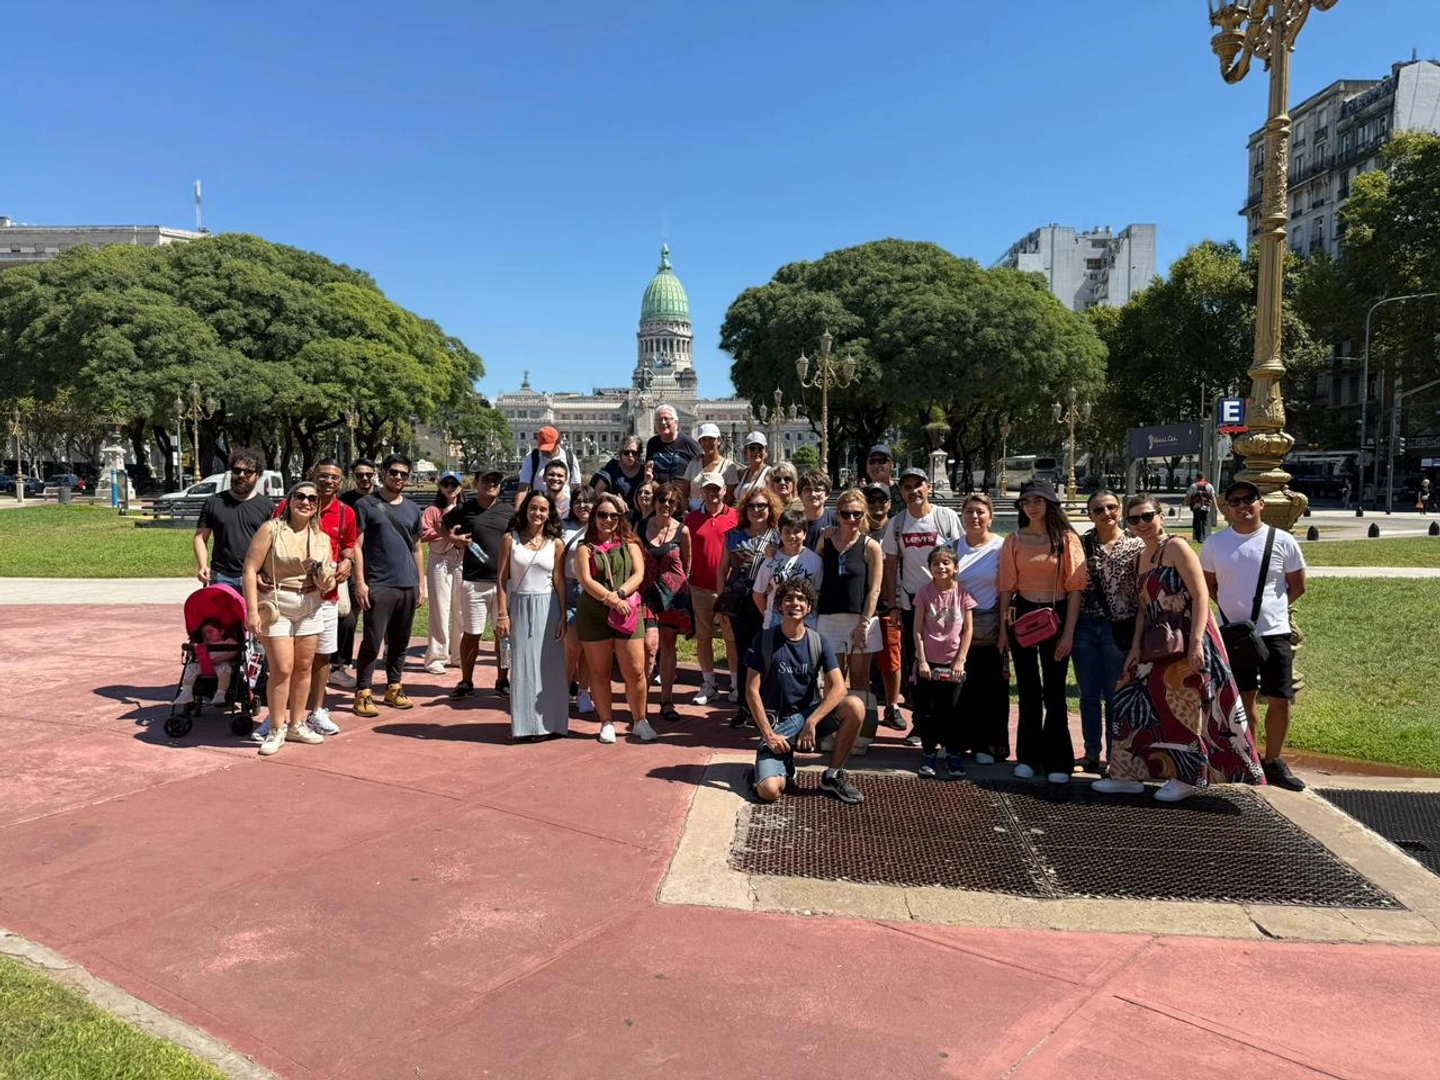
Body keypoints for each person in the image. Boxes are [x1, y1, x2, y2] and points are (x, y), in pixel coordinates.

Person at [1096, 494, 1265, 801]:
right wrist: (1134, 647)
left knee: (1186, 705)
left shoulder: (1176, 547)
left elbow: (1201, 596)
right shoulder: (1140, 557)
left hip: (1187, 635)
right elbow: (1144, 608)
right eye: (1135, 519)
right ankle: (1128, 773)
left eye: (1148, 516)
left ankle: (1188, 777)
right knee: (1132, 700)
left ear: (1161, 516)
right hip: (1155, 640)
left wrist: (1197, 642)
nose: (1142, 523)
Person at [1200, 479, 1308, 791]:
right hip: (1235, 634)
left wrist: (1271, 611)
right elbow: (1210, 587)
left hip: (1274, 632)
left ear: (1261, 504)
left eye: (1248, 499)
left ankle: (1274, 760)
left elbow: (1298, 585)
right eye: (1234, 501)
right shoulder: (1215, 545)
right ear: (1226, 509)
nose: (1242, 506)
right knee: (1243, 698)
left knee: (1280, 698)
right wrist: (1234, 616)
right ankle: (1250, 758)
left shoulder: (1282, 540)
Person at [256, 459, 358, 743]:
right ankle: (277, 716)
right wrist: (260, 573)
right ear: (313, 476)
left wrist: (348, 562)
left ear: (341, 482)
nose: (328, 482)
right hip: (285, 594)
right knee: (282, 662)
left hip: (324, 593)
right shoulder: (288, 506)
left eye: (334, 478)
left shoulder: (345, 513)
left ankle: (315, 711)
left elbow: (350, 545)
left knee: (320, 656)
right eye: (323, 476)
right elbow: (266, 545)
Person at [743, 578, 866, 805]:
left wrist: (812, 721)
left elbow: (839, 688)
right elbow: (751, 690)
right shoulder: (764, 639)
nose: (795, 603)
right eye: (788, 598)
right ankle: (776, 767)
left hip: (806, 718)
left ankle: (832, 776)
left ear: (809, 607)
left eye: (801, 599)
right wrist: (768, 734)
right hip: (777, 725)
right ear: (779, 605)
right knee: (769, 791)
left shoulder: (819, 641)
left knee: (854, 706)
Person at [997, 480, 1087, 784]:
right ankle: (1028, 757)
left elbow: (1075, 590)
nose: (1032, 507)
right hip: (1022, 614)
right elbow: (1006, 587)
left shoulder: (1066, 539)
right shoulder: (1014, 540)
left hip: (1056, 614)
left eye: (1038, 501)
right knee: (1028, 690)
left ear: (1050, 504)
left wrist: (1068, 634)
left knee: (1055, 690)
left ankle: (1058, 760)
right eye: (1026, 502)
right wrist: (1003, 629)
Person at [243, 480, 334, 756]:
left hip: (310, 604)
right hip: (276, 604)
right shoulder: (271, 529)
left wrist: (325, 579)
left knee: (304, 667)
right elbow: (249, 569)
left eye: (312, 499)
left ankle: (296, 724)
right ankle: (276, 727)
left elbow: (328, 580)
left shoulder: (321, 538)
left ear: (317, 506)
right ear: (289, 500)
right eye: (300, 496)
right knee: (282, 668)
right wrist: (251, 610)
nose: (305, 502)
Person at [1071, 489, 1144, 773]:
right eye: (1098, 510)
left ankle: (1116, 756)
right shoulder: (1081, 544)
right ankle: (1091, 753)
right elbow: (1074, 588)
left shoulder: (1135, 544)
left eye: (1111, 507)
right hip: (1086, 626)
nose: (1106, 513)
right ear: (1090, 515)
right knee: (1088, 694)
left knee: (1116, 695)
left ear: (1120, 509)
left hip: (1119, 628)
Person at [574, 492, 655, 744]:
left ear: (620, 518)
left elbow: (639, 574)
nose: (608, 520)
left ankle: (640, 720)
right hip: (594, 614)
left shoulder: (630, 544)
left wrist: (619, 596)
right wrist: (611, 600)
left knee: (636, 671)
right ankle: (606, 722)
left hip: (627, 613)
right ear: (594, 517)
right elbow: (586, 580)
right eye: (602, 514)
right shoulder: (584, 548)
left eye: (613, 515)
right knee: (599, 672)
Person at [882, 467, 963, 712]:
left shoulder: (946, 517)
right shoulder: (897, 524)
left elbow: (961, 557)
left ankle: (947, 719)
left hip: (946, 604)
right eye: (907, 487)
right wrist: (893, 606)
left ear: (928, 487)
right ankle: (921, 719)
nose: (914, 491)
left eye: (918, 485)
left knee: (948, 659)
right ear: (901, 492)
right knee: (917, 662)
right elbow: (890, 567)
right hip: (913, 604)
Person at [351, 454, 426, 717]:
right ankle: (363, 691)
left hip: (407, 584)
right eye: (394, 472)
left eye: (404, 474)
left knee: (400, 640)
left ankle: (394, 687)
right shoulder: (365, 505)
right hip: (379, 583)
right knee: (373, 640)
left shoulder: (413, 509)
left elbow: (417, 548)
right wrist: (360, 582)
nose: (398, 478)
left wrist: (421, 583)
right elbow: (356, 546)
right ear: (383, 473)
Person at [495, 491, 569, 740]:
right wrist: (502, 614)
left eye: (543, 509)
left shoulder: (556, 543)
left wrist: (563, 615)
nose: (538, 513)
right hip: (519, 606)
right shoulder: (510, 539)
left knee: (550, 667)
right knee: (523, 665)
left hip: (549, 608)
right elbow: (501, 580)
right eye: (533, 508)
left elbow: (559, 581)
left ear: (549, 514)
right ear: (525, 509)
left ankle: (552, 723)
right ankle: (526, 725)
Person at [814, 489, 885, 748]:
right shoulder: (826, 539)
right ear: (838, 514)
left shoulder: (871, 546)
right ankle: (830, 732)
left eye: (857, 514)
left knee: (859, 678)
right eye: (846, 514)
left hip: (860, 620)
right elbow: (814, 572)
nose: (851, 519)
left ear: (864, 515)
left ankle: (859, 735)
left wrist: (864, 623)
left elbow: (875, 588)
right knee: (833, 679)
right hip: (829, 618)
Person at [445, 466, 513, 700]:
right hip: (474, 581)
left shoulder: (509, 511)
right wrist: (453, 538)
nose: (491, 484)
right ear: (476, 483)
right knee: (472, 633)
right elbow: (441, 525)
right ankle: (466, 681)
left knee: (504, 635)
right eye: (486, 480)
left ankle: (503, 679)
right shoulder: (466, 508)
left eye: (495, 481)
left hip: (504, 583)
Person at [717, 487, 782, 725]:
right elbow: (723, 569)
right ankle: (745, 707)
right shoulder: (733, 535)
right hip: (739, 602)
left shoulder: (778, 536)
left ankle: (766, 706)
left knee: (767, 654)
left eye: (761, 506)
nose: (756, 510)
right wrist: (721, 601)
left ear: (770, 508)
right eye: (752, 506)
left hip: (767, 602)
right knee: (745, 653)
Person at [953, 493, 1009, 764]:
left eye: (980, 512)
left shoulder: (1002, 547)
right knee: (962, 689)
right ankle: (962, 741)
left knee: (991, 689)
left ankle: (989, 745)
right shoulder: (953, 547)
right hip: (958, 628)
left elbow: (1007, 589)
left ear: (991, 517)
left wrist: (1004, 630)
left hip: (991, 627)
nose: (974, 517)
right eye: (969, 512)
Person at [912, 547, 975, 779]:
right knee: (928, 711)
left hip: (953, 663)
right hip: (929, 663)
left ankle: (953, 753)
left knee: (954, 711)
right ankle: (929, 751)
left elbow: (968, 630)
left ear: (955, 567)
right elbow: (917, 630)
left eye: (946, 563)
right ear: (930, 568)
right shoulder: (924, 593)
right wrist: (922, 660)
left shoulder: (963, 594)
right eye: (936, 563)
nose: (941, 567)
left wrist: (960, 660)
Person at [683, 472, 738, 706]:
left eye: (717, 489)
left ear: (724, 491)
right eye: (708, 489)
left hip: (727, 588)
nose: (713, 493)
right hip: (699, 587)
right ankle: (709, 683)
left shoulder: (736, 516)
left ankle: (735, 684)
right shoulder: (692, 518)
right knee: (703, 637)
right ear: (702, 492)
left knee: (731, 639)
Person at [640, 481, 692, 723]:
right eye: (662, 500)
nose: (666, 505)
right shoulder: (641, 526)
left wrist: (678, 587)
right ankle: (641, 701)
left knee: (668, 645)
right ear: (655, 501)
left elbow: (687, 563)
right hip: (647, 593)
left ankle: (666, 700)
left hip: (673, 596)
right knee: (649, 646)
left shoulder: (683, 531)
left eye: (672, 501)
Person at [194, 448, 275, 591]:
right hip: (221, 576)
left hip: (255, 576)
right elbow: (200, 537)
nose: (241, 475)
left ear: (257, 475)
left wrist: (265, 572)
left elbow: (273, 545)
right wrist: (202, 565)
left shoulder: (267, 506)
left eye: (248, 472)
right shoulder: (213, 502)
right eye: (237, 471)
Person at [330, 458, 377, 687]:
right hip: (350, 563)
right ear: (353, 477)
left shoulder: (381, 499)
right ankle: (338, 664)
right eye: (359, 475)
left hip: (376, 564)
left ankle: (369, 658)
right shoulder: (345, 502)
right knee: (348, 615)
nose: (364, 478)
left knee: (375, 614)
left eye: (368, 474)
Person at [863, 482, 905, 732]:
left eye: (882, 500)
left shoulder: (897, 529)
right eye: (872, 500)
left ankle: (892, 705)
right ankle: (864, 708)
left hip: (889, 604)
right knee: (862, 662)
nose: (877, 505)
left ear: (889, 504)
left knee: (892, 661)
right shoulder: (857, 528)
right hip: (863, 606)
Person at [420, 471, 466, 676]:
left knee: (461, 610)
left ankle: (459, 655)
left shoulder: (465, 508)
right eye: (446, 483)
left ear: (460, 486)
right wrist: (447, 535)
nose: (450, 487)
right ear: (440, 487)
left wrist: (458, 537)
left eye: (454, 483)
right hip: (440, 561)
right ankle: (436, 657)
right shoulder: (432, 510)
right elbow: (423, 534)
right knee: (440, 609)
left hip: (462, 560)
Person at [752, 508, 824, 629]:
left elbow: (817, 594)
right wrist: (768, 614)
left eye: (797, 531)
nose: (792, 536)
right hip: (775, 624)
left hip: (806, 625)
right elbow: (758, 594)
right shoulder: (770, 560)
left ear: (805, 534)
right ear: (780, 533)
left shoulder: (815, 561)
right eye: (787, 531)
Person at [562, 487, 597, 715]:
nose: (582, 506)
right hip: (569, 588)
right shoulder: (563, 527)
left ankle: (584, 691)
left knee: (589, 647)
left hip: (593, 590)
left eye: (587, 501)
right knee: (573, 646)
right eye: (578, 501)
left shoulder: (601, 525)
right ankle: (563, 690)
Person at [645, 405, 701, 495]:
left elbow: (702, 468)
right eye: (659, 420)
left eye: (666, 419)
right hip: (658, 497)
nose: (663, 423)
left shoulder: (690, 444)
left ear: (676, 422)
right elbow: (649, 468)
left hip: (681, 497)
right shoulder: (652, 443)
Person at [682, 423, 736, 511]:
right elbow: (684, 492)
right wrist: (686, 511)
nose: (707, 443)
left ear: (718, 441)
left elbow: (730, 498)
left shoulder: (729, 466)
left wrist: (716, 513)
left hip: (716, 512)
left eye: (711, 439)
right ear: (700, 443)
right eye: (703, 439)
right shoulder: (694, 462)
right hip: (692, 512)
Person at [517, 426, 575, 507]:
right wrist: (518, 512)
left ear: (557, 442)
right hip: (540, 507)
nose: (545, 451)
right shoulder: (532, 457)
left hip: (564, 507)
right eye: (543, 448)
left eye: (549, 448)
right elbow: (522, 488)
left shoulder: (569, 457)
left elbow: (576, 487)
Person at [592, 436, 644, 507]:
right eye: (626, 452)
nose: (630, 455)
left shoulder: (643, 470)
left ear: (639, 454)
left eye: (634, 453)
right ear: (621, 453)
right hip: (616, 510)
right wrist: (613, 498)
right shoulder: (612, 467)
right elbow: (598, 491)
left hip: (639, 511)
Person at [798, 470, 836, 550]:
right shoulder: (793, 521)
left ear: (827, 494)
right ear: (800, 495)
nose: (813, 494)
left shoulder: (837, 519)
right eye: (807, 490)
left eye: (818, 490)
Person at [732, 432, 772, 506]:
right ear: (745, 452)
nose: (756, 452)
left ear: (766, 452)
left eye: (760, 448)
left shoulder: (770, 473)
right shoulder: (742, 473)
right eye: (752, 448)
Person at [866, 444, 902, 509]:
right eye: (872, 461)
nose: (876, 466)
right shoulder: (861, 496)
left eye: (882, 461)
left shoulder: (903, 492)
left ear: (891, 465)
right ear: (867, 468)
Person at [1186, 475, 1217, 543]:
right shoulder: (1209, 486)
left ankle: (1200, 538)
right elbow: (1213, 497)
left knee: (1198, 522)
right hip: (1206, 507)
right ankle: (1204, 537)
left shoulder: (1193, 486)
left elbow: (1188, 496)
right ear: (1203, 477)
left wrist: (1187, 503)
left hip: (1196, 507)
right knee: (1204, 522)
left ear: (1197, 478)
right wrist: (1216, 507)